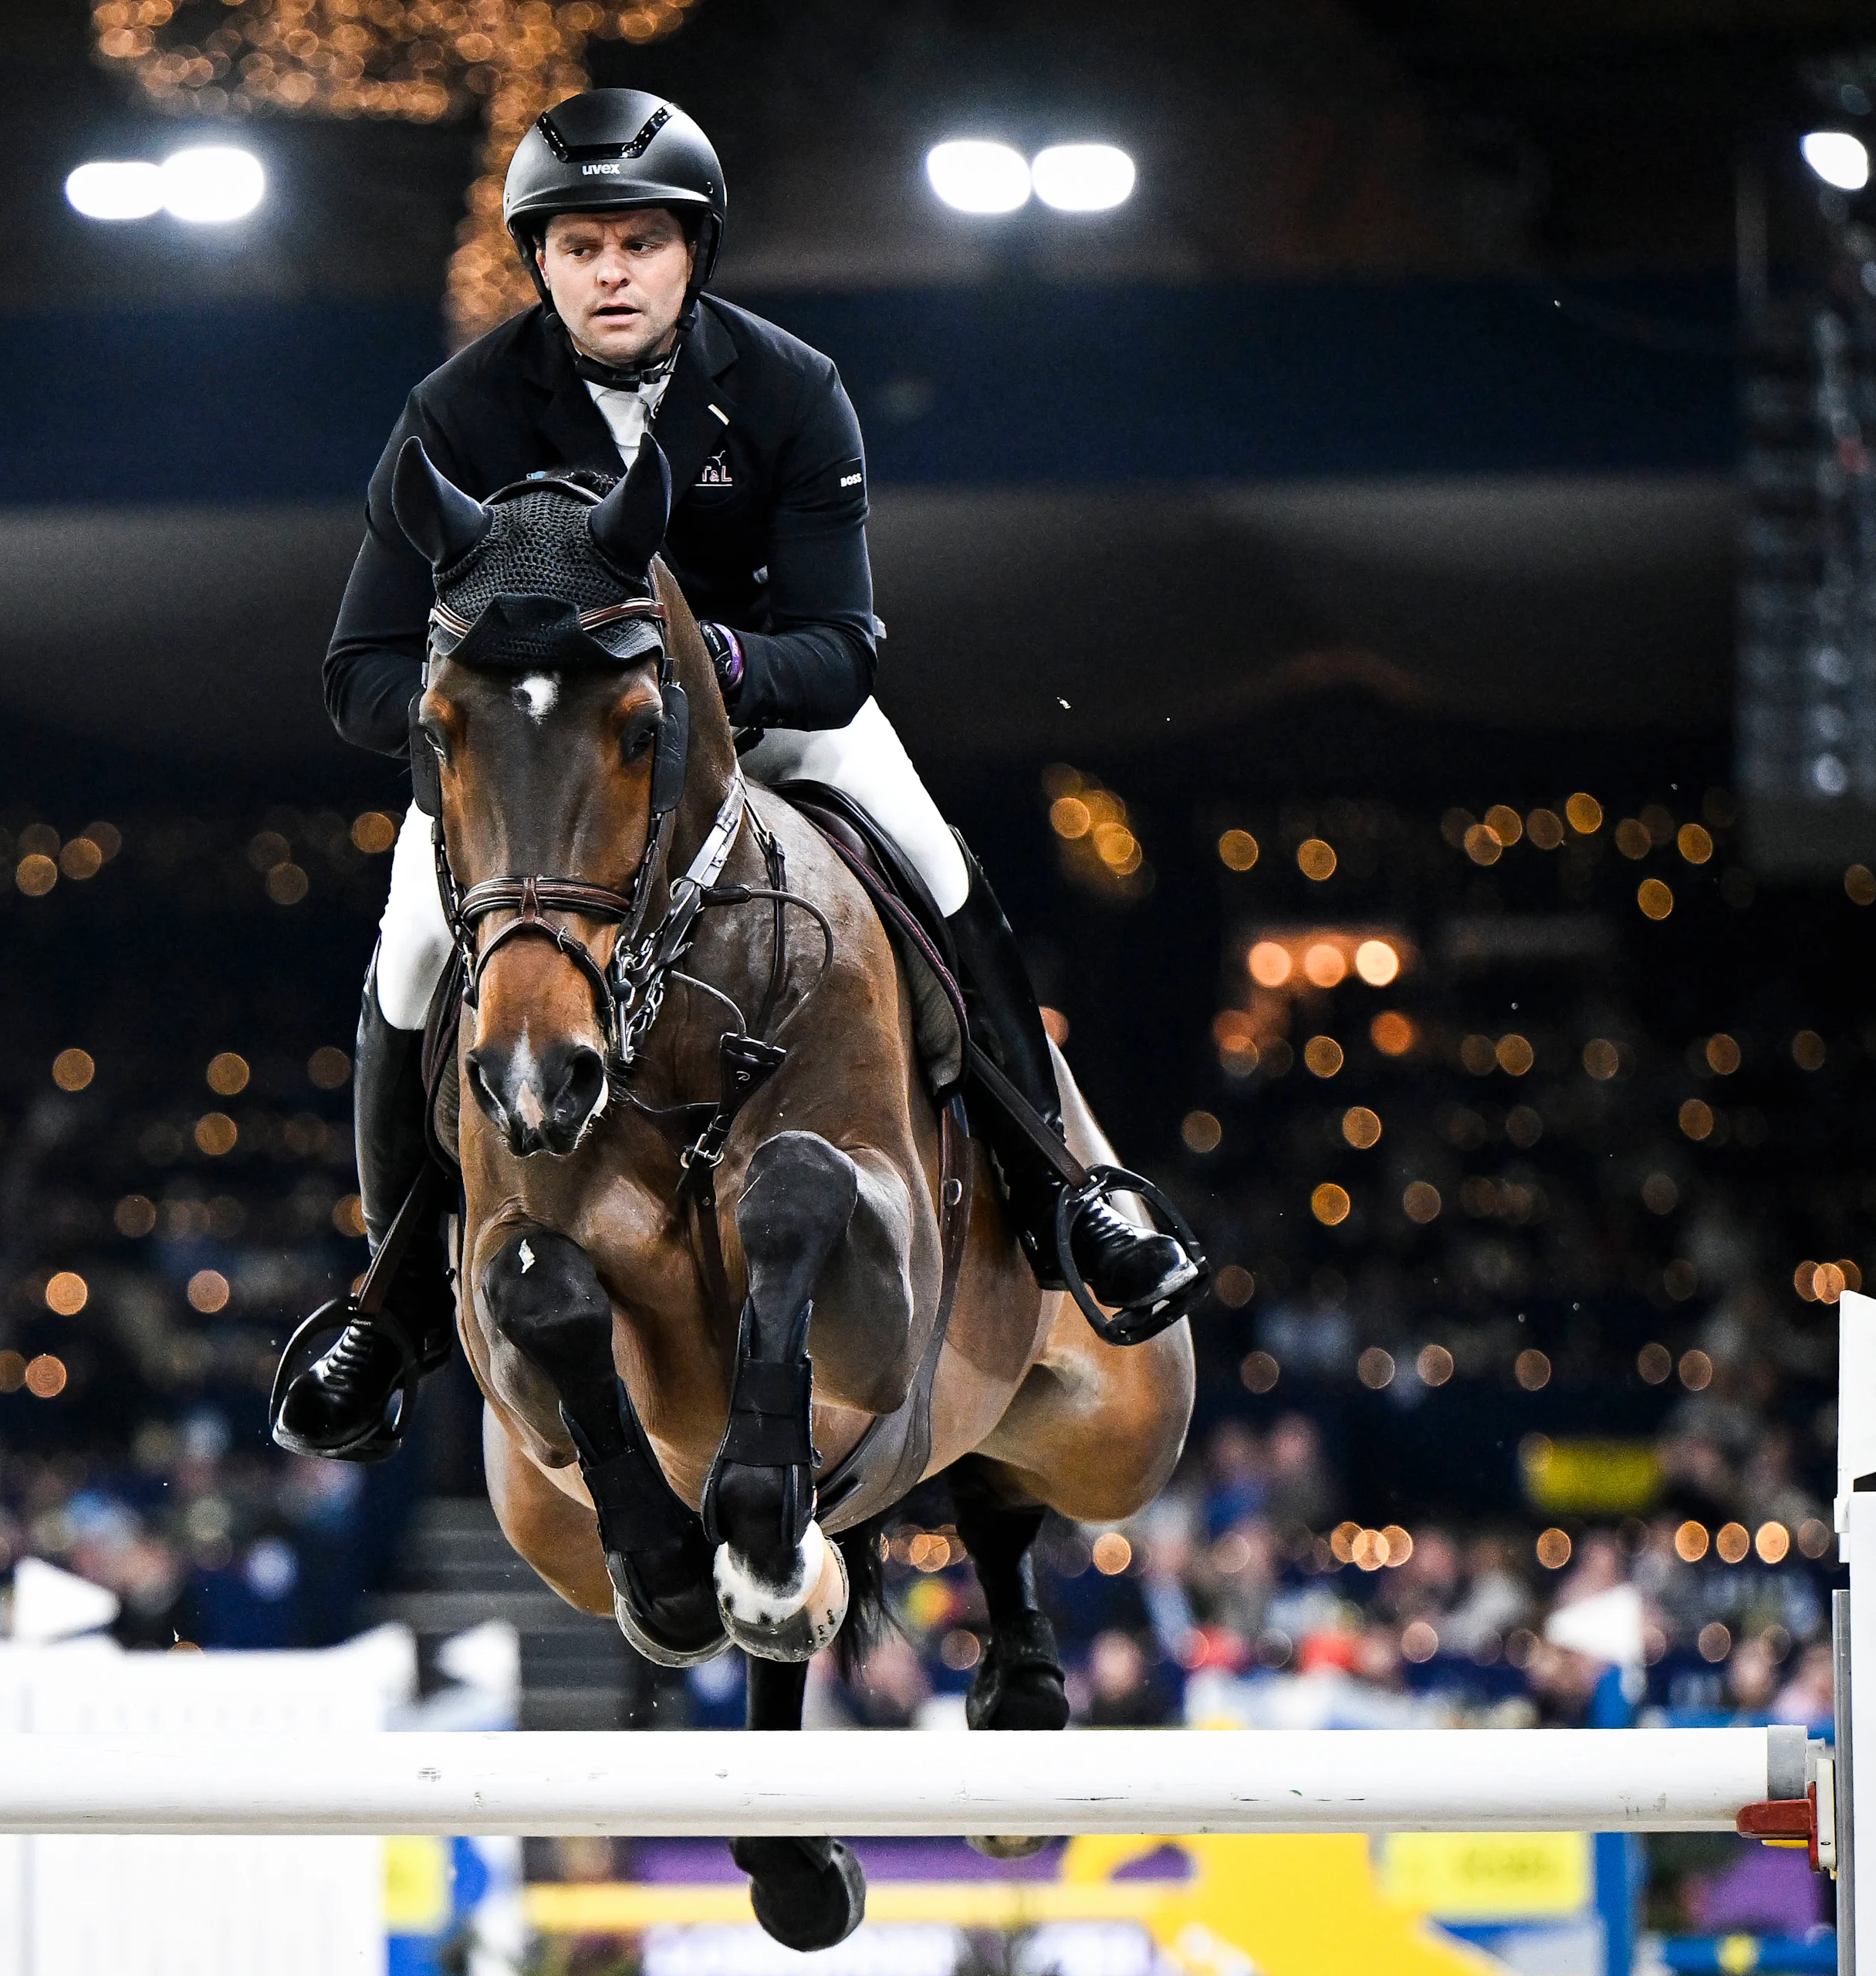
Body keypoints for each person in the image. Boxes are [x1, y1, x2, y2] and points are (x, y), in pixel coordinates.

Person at [273, 88, 1194, 1463]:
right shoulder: (455, 414)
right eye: (579, 247)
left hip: (764, 725)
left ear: (693, 249)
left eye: (639, 243)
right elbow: (357, 670)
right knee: (411, 949)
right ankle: (395, 1293)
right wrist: (490, 721)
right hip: (551, 774)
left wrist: (708, 688)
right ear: (540, 262)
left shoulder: (785, 389)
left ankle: (1066, 1192)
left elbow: (842, 648)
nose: (610, 273)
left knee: (937, 864)